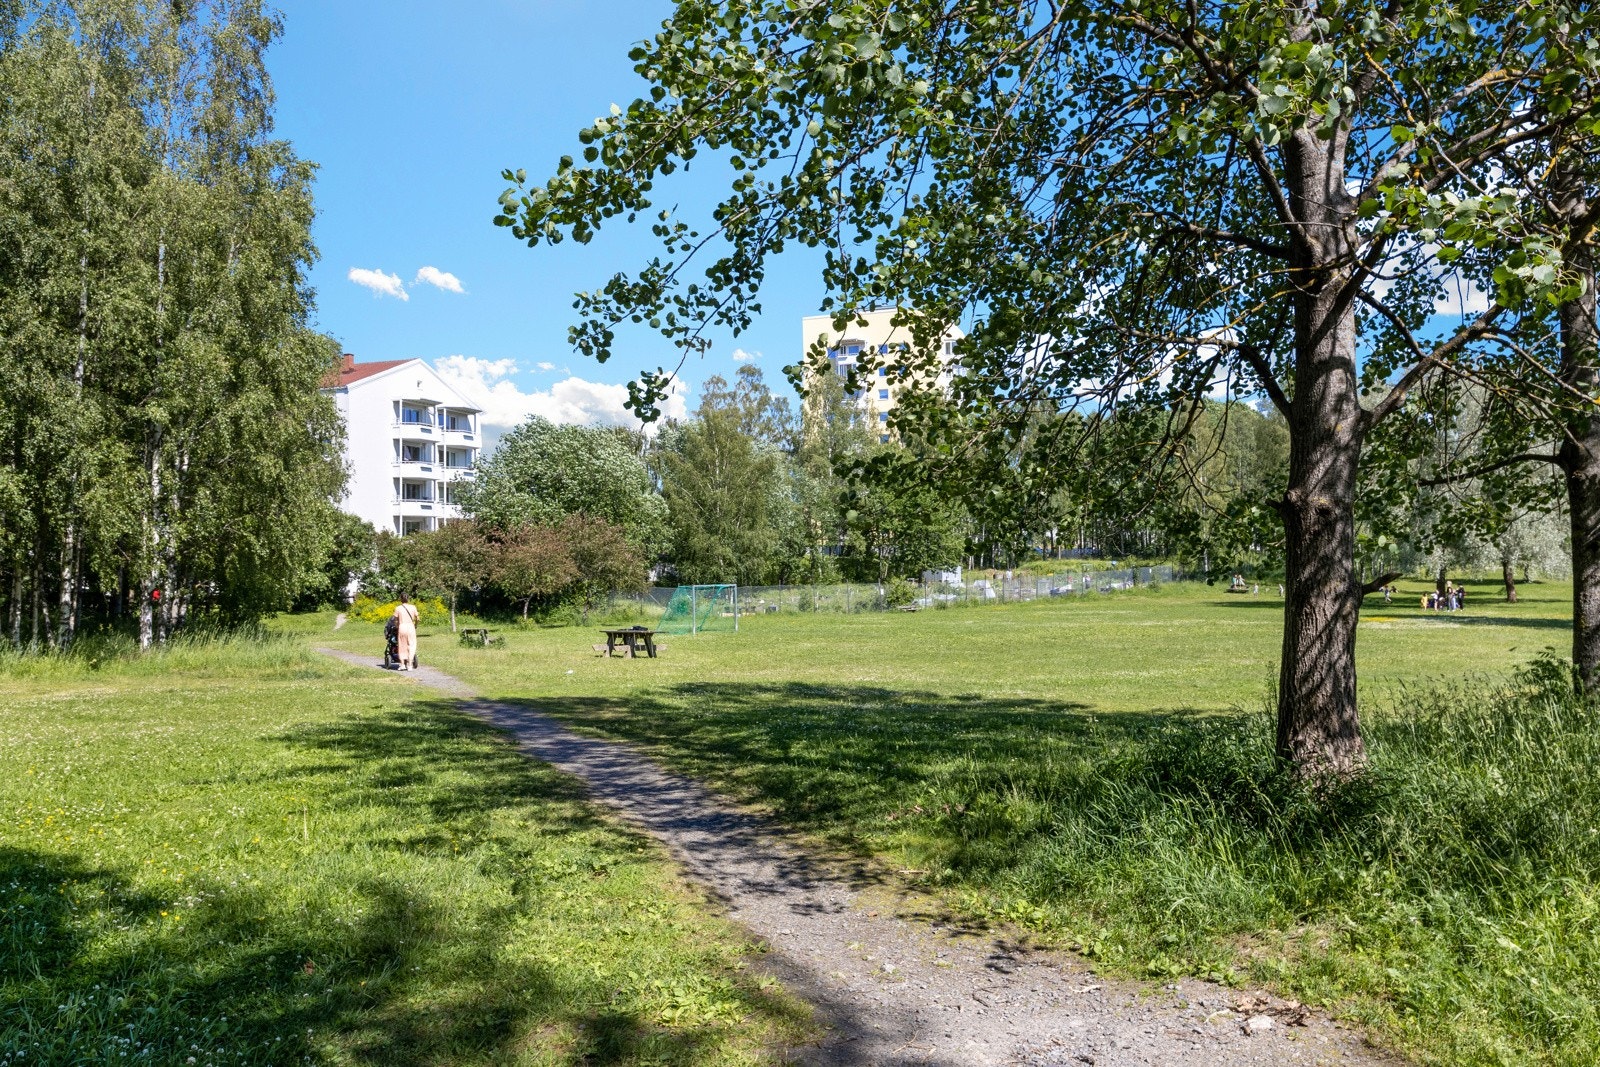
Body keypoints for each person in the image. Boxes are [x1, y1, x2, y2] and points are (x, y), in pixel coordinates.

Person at [392, 593, 420, 671]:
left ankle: (402, 664)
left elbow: (395, 620)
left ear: (400, 599)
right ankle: (410, 664)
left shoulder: (398, 608)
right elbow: (417, 619)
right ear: (408, 599)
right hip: (411, 626)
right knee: (411, 645)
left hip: (402, 626)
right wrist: (416, 625)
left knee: (402, 645)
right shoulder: (413, 607)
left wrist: (397, 626)